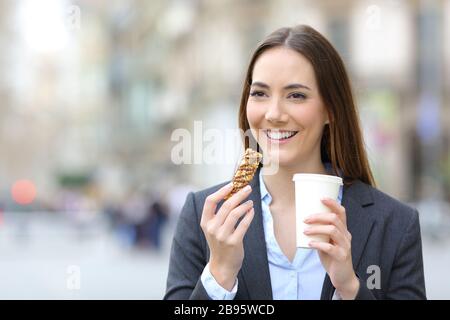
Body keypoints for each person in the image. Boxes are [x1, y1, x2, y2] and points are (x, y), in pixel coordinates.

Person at [164, 25, 426, 300]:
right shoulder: (204, 216)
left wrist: (349, 287)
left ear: (331, 110)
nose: (274, 113)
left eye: (296, 95)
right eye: (260, 93)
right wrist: (220, 273)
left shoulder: (395, 223)